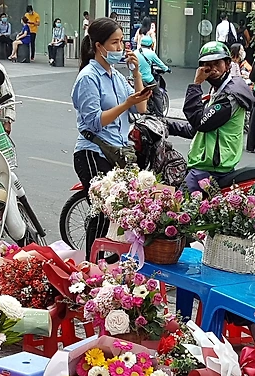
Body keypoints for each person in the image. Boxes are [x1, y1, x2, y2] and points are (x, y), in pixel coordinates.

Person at [71, 17, 150, 239]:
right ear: (99, 46)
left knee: (123, 214)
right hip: (93, 152)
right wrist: (125, 104)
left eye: (122, 41)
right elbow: (95, 121)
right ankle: (92, 259)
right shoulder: (88, 77)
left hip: (118, 152)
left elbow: (141, 108)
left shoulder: (117, 76)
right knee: (101, 214)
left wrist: (136, 73)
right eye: (114, 42)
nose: (120, 47)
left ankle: (112, 257)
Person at [182, 40, 252, 192]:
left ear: (227, 64)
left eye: (217, 64)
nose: (213, 69)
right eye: (208, 64)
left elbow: (200, 122)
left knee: (176, 204)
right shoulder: (218, 89)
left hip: (209, 170)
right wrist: (166, 125)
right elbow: (197, 129)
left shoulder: (230, 97)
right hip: (209, 166)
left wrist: (196, 84)